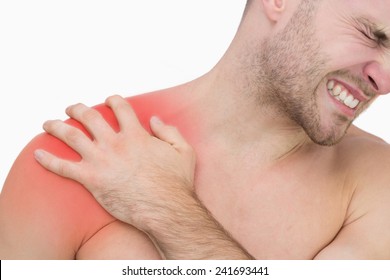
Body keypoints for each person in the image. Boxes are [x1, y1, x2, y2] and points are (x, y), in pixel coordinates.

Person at [1, 0, 390, 259]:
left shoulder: (377, 182)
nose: (385, 80)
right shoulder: (75, 158)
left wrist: (168, 209)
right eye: (372, 35)